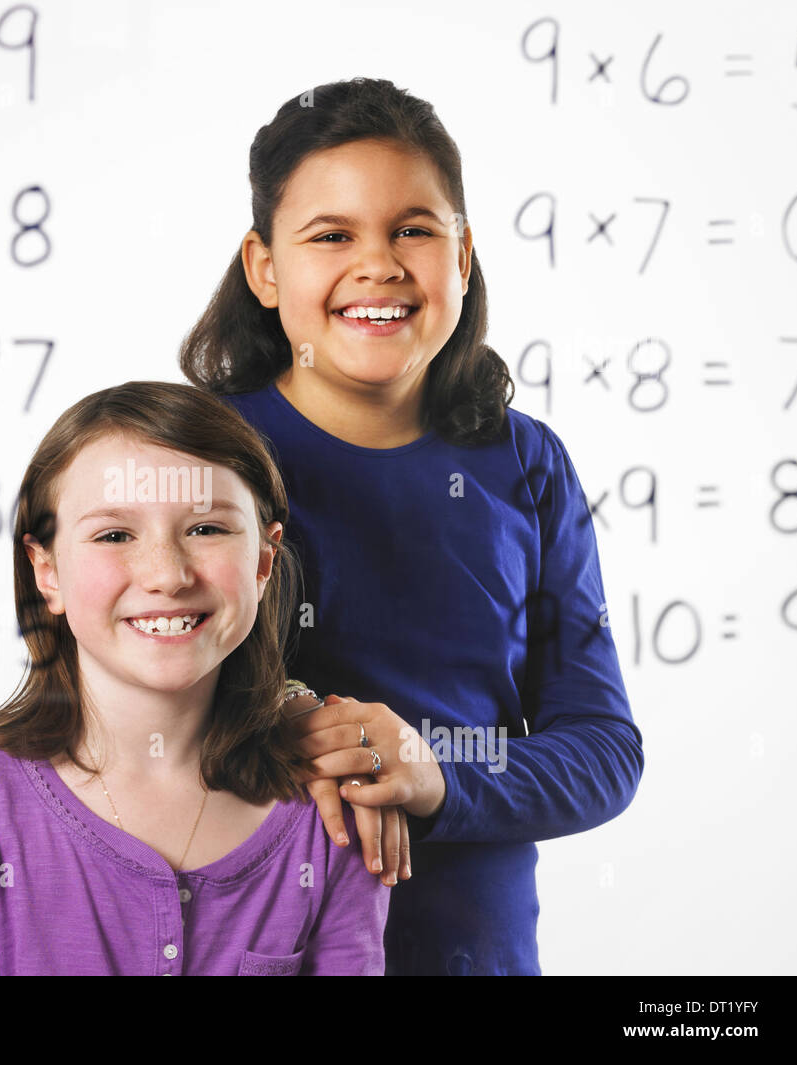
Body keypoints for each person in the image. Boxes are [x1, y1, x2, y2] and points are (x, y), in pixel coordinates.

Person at [179, 77, 645, 975]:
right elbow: (127, 707)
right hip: (250, 947)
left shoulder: (528, 465)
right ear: (264, 267)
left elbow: (602, 749)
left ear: (463, 257)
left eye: (414, 230)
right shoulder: (201, 454)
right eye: (332, 235)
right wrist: (307, 729)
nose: (379, 265)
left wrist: (436, 779)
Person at [0, 381, 390, 975]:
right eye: (114, 535)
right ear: (47, 572)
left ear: (263, 562)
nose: (167, 575)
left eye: (206, 529)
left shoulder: (332, 808)